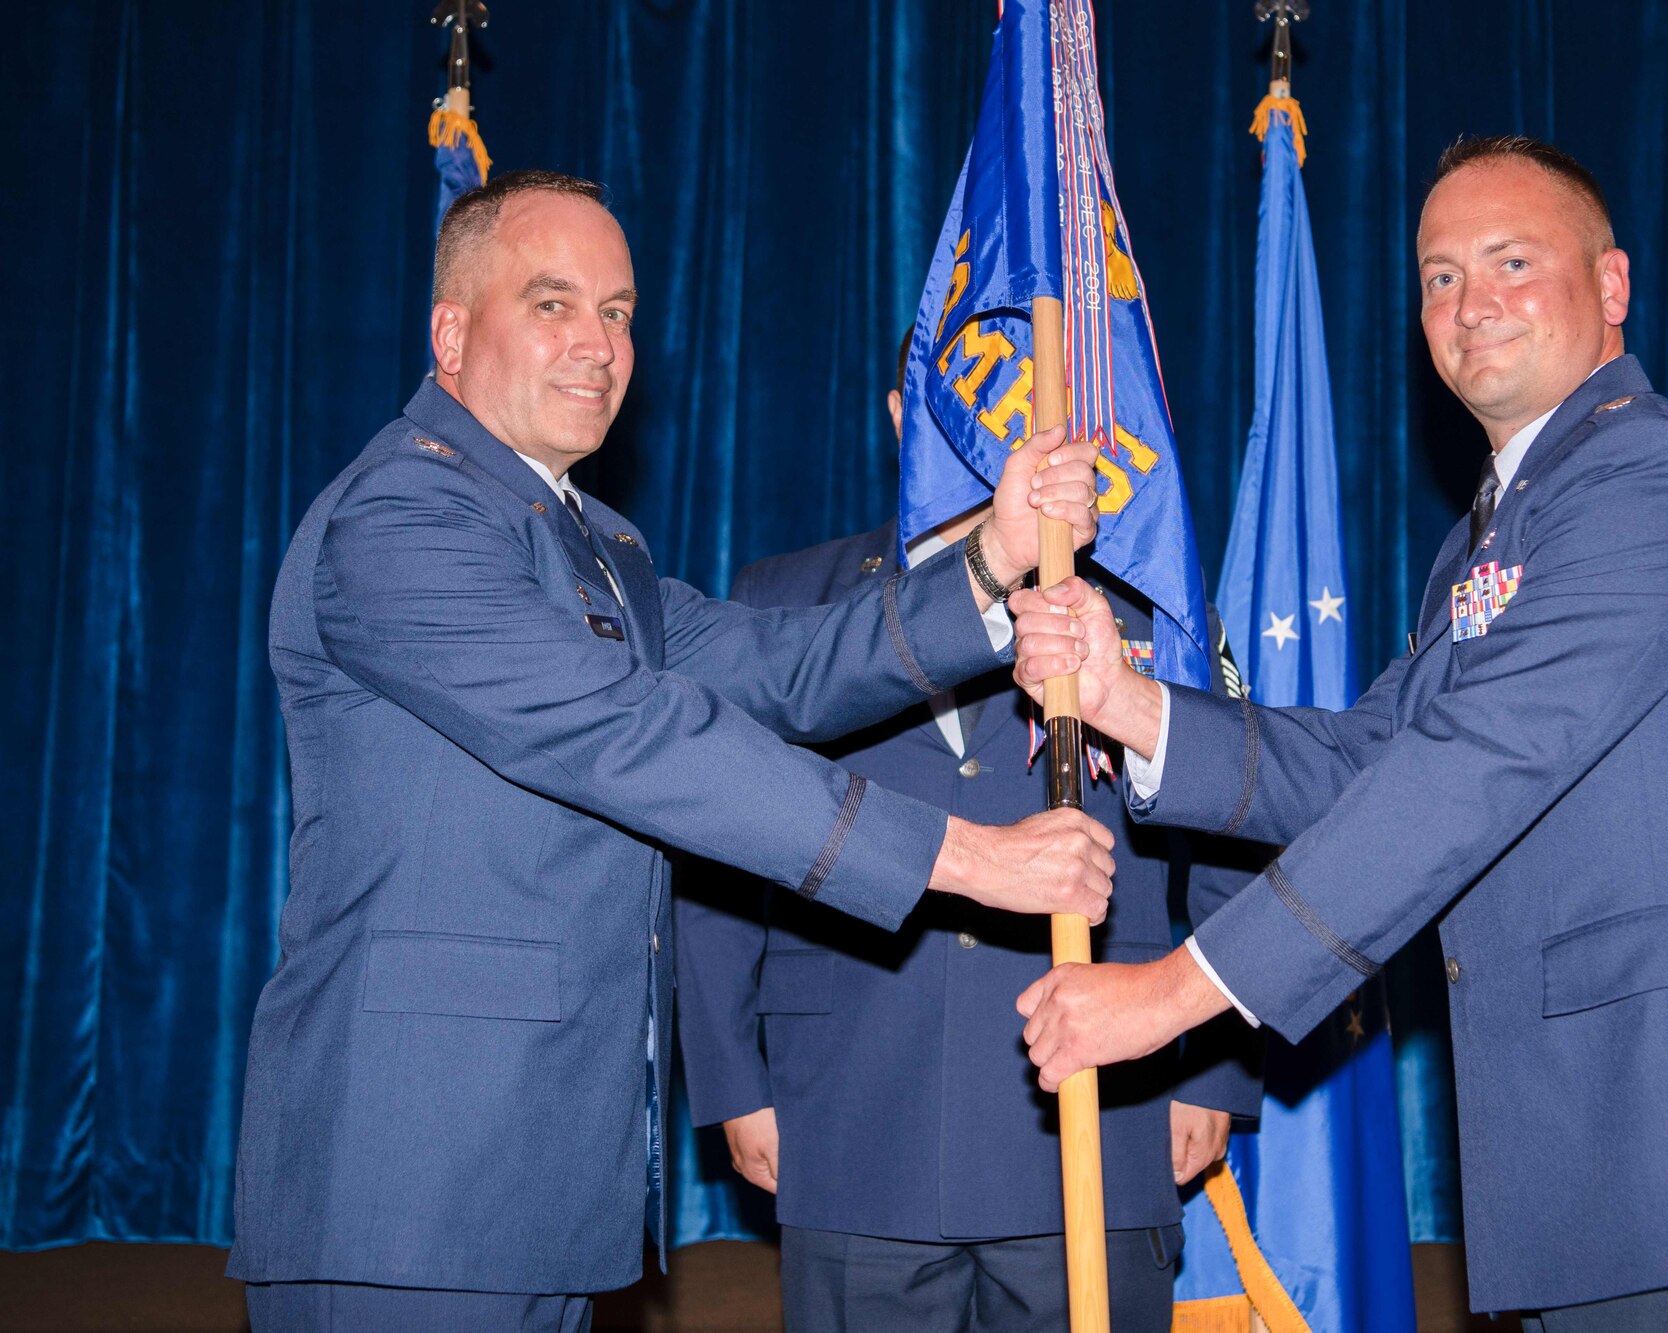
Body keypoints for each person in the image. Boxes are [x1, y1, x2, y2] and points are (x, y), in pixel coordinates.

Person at [1007, 137, 1668, 1330]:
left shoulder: (1649, 482)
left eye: (1510, 261)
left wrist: (1174, 992)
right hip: (1587, 1178)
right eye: (1436, 276)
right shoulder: (1485, 541)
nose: (1468, 304)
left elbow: (1468, 774)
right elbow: (1366, 761)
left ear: (1612, 284)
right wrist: (1129, 702)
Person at [228, 170, 1116, 1331]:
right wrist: (967, 859)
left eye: (617, 311)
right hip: (408, 1175)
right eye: (552, 304)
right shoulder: (401, 517)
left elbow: (776, 669)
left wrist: (990, 563)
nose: (597, 343)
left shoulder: (596, 541)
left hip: (543, 1172)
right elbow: (630, 733)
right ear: (450, 333)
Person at [673, 332, 1261, 1332]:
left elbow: (1230, 835)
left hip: (1098, 1115)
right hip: (852, 1111)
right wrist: (733, 1080)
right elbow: (717, 845)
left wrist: (1209, 1065)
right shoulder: (784, 600)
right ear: (902, 415)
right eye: (953, 404)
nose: (980, 436)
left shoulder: (1147, 598)